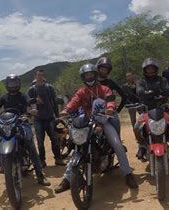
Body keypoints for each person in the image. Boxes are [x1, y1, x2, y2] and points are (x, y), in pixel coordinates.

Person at [54, 63, 138, 193]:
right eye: (86, 75)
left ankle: (128, 174)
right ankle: (67, 179)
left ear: (95, 75)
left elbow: (110, 100)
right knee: (77, 147)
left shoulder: (105, 89)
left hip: (104, 121)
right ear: (83, 77)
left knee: (117, 144)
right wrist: (66, 110)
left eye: (91, 74)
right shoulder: (81, 92)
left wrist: (110, 108)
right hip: (88, 122)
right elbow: (74, 102)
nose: (89, 77)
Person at [0, 74, 50, 186]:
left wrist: (32, 110)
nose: (13, 86)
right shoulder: (4, 97)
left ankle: (40, 175)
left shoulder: (22, 95)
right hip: (7, 123)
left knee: (30, 144)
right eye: (10, 84)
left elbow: (29, 100)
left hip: (21, 122)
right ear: (7, 85)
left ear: (18, 84)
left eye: (14, 83)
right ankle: (3, 162)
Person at [27, 69, 66, 167]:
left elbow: (55, 102)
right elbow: (27, 102)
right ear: (35, 76)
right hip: (38, 119)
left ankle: (58, 159)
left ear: (43, 77)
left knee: (54, 139)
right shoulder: (31, 90)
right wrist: (34, 102)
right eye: (38, 75)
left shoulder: (49, 88)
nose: (40, 77)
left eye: (42, 75)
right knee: (40, 142)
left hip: (49, 118)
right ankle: (42, 161)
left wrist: (57, 116)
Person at [96, 57, 127, 135]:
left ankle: (118, 145)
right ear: (98, 69)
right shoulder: (92, 83)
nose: (104, 71)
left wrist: (118, 110)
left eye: (106, 69)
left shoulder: (111, 83)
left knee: (116, 134)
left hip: (111, 113)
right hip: (96, 113)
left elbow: (124, 95)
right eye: (102, 69)